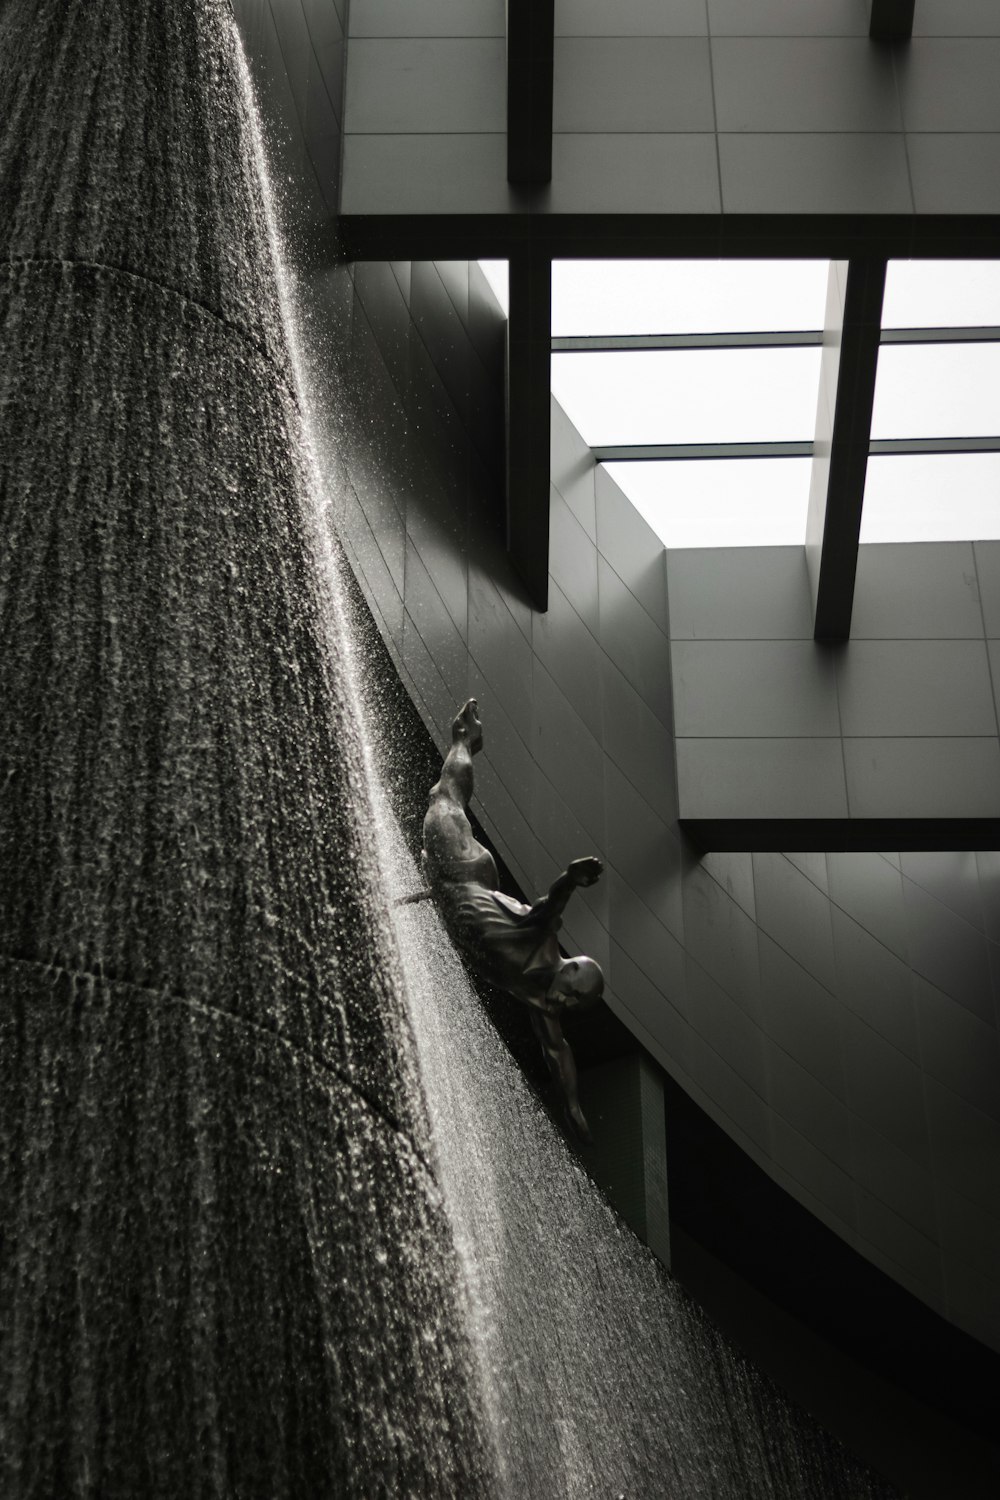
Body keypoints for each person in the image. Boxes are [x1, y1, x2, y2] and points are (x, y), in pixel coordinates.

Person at [421, 698, 605, 1142]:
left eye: (573, 1008)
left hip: (452, 898)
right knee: (444, 798)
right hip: (465, 874)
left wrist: (574, 1107)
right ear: (572, 968)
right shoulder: (543, 941)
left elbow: (558, 1053)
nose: (565, 1005)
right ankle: (464, 740)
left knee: (445, 808)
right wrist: (571, 879)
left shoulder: (541, 1002)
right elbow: (550, 905)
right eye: (572, 995)